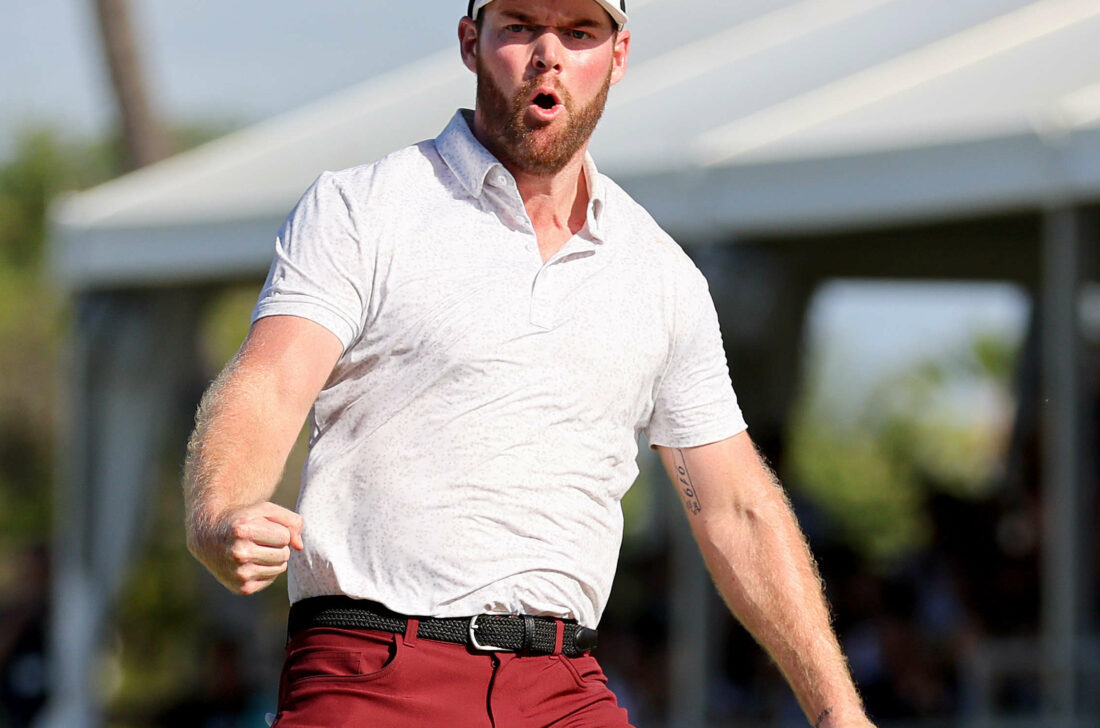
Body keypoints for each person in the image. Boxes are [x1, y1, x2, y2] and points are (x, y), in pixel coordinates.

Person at [183, 1, 877, 726]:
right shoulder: (363, 208)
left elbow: (735, 506)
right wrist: (220, 507)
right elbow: (270, 379)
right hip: (374, 671)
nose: (549, 53)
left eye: (579, 33)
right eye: (520, 26)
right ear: (470, 42)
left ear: (618, 55)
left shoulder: (661, 275)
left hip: (562, 686)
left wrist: (836, 710)